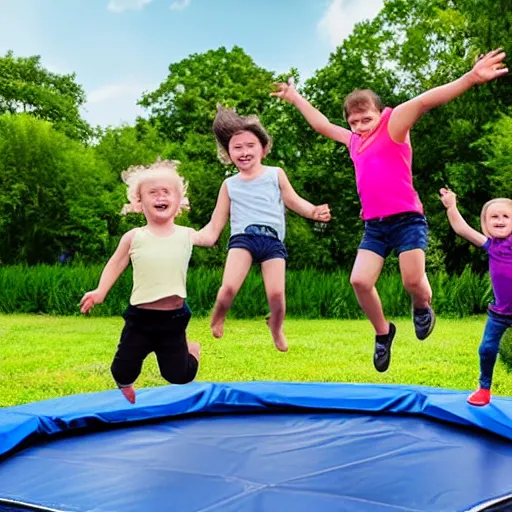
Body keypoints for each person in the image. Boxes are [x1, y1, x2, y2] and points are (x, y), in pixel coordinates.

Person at [272, 49, 508, 372]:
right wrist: (296, 97)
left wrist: (469, 78)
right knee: (359, 281)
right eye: (353, 122)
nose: (358, 127)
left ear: (380, 113)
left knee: (413, 281)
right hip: (375, 226)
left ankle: (422, 306)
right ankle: (383, 333)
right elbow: (322, 125)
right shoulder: (354, 141)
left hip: (408, 220)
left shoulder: (393, 126)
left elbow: (425, 100)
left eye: (365, 119)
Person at [80, 160, 212, 404]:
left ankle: (191, 349)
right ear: (139, 202)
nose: (160, 196)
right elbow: (116, 263)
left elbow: (212, 234)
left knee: (179, 376)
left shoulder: (187, 234)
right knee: (121, 371)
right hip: (140, 320)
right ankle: (126, 386)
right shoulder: (134, 236)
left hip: (173, 320)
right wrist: (100, 291)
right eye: (153, 192)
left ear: (179, 200)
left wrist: (230, 203)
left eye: (166, 191)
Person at [201, 106, 331, 352]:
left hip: (272, 242)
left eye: (250, 145)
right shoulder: (229, 185)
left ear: (263, 148)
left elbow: (293, 201)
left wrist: (313, 211)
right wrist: (195, 236)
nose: (244, 151)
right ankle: (218, 316)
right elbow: (216, 223)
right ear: (228, 154)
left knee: (277, 297)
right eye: (237, 147)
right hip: (243, 240)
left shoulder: (275, 174)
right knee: (228, 287)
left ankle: (276, 326)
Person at [440, 188, 512, 405]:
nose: (499, 220)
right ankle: (484, 389)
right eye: (494, 217)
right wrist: (451, 206)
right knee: (487, 349)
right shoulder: (491, 246)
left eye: (506, 216)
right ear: (485, 222)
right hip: (499, 313)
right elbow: (461, 229)